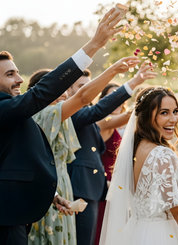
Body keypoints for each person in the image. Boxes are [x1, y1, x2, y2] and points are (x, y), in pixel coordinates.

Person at [0, 7, 124, 244]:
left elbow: (17, 162)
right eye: (10, 75)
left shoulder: (13, 111)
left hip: (16, 215)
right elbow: (42, 93)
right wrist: (94, 45)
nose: (19, 79)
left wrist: (53, 195)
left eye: (17, 72)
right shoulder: (5, 108)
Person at [26, 56, 138, 245]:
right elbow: (96, 109)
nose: (63, 91)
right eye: (58, 87)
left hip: (66, 186)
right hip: (60, 184)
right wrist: (130, 81)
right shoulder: (51, 114)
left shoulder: (59, 114)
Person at [99, 87, 178, 245]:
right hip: (160, 236)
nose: (173, 119)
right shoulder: (162, 155)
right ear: (146, 117)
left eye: (175, 111)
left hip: (136, 232)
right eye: (164, 113)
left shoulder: (135, 149)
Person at [67, 62, 156, 245]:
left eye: (89, 85)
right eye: (82, 87)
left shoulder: (85, 113)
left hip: (94, 187)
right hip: (80, 186)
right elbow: (101, 111)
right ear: (69, 90)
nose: (88, 90)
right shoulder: (74, 113)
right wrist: (135, 82)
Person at [94, 83, 131, 245]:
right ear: (103, 101)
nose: (117, 102)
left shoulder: (127, 125)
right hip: (105, 181)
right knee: (103, 226)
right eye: (112, 97)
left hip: (119, 181)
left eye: (120, 98)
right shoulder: (102, 122)